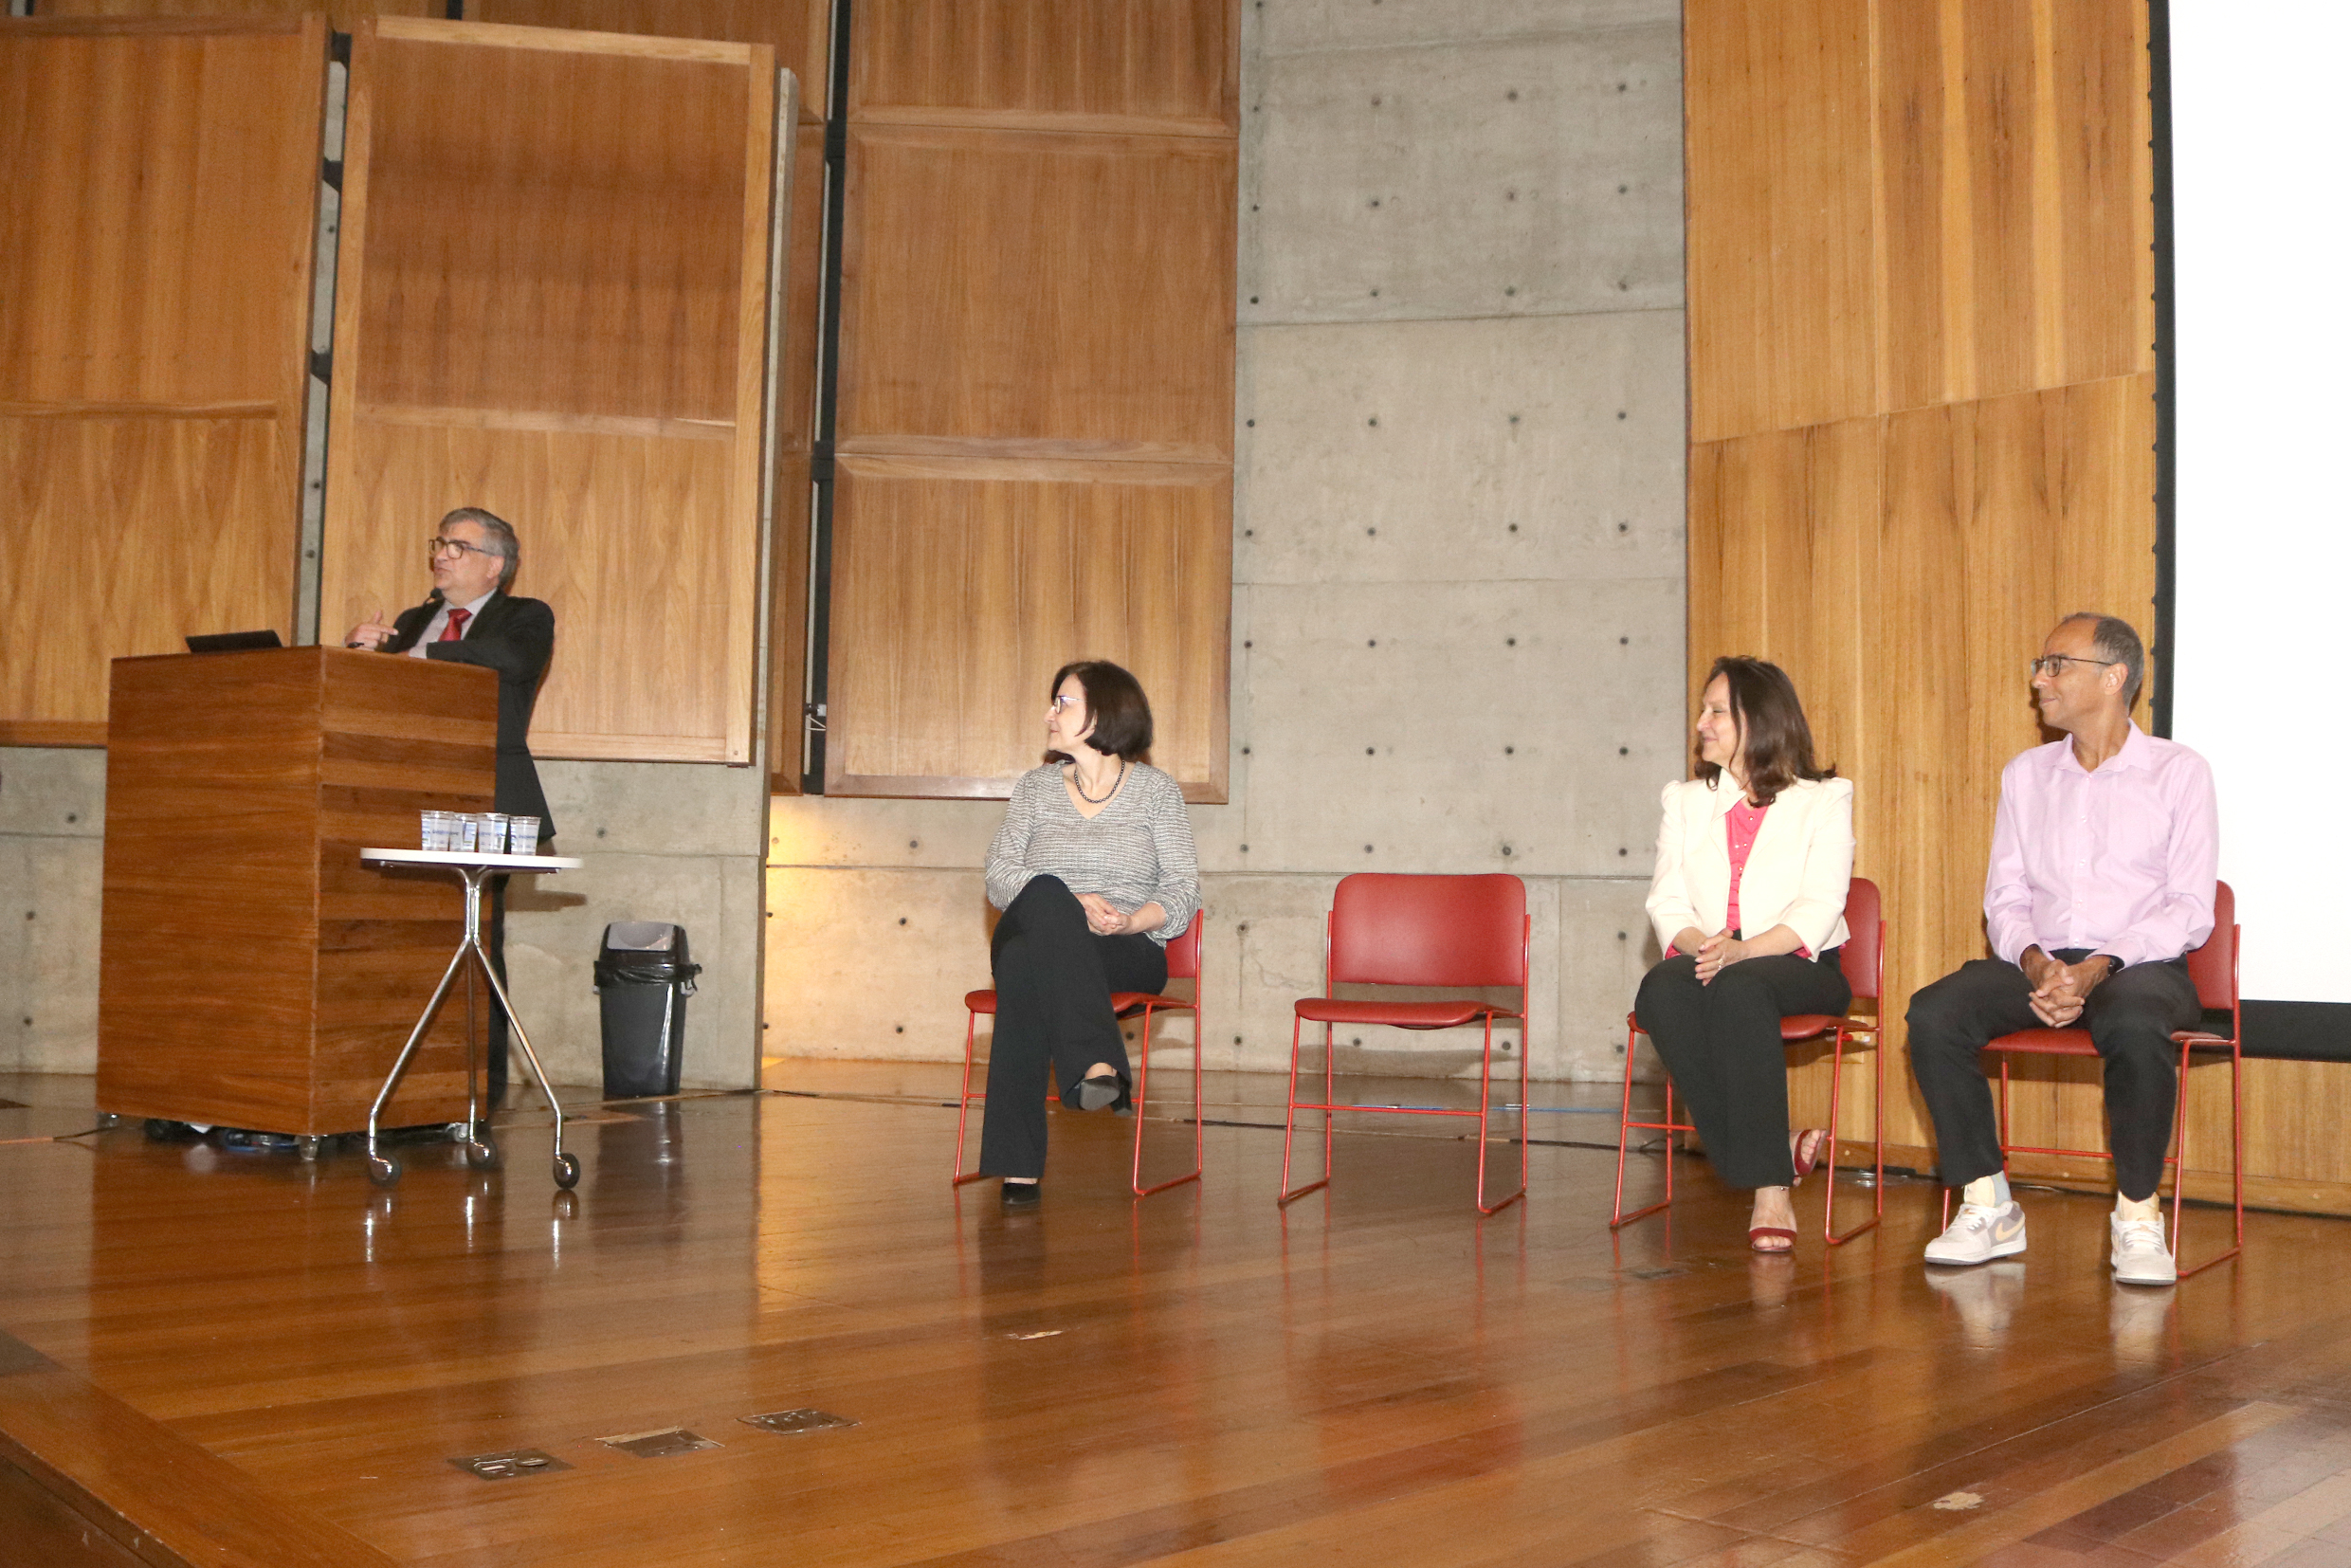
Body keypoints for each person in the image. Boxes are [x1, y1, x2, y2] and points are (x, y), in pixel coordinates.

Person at [1909, 613, 2216, 1286]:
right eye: (2040, 664)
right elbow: (2006, 897)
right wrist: (2038, 963)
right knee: (1933, 1012)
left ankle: (2137, 1216)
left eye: (2056, 665)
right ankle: (1988, 1204)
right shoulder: (2027, 774)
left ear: (2113, 678)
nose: (2038, 679)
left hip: (2139, 965)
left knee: (2136, 1023)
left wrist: (2097, 965)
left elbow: (2191, 909)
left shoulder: (2178, 772)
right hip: (2043, 961)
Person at [1635, 657, 1855, 1252]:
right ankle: (1773, 1152)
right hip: (1713, 958)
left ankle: (1769, 1191)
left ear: (1757, 722)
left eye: (1715, 713)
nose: (1701, 723)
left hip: (1800, 966)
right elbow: (1667, 901)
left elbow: (1820, 905)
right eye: (1703, 710)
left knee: (1741, 987)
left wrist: (1742, 953)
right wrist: (1708, 949)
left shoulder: (1826, 798)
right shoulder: (1683, 801)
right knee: (1660, 988)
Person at [346, 507, 556, 1103]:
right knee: (402, 942)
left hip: (487, 801)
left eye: (457, 546)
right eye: (439, 542)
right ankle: (404, 1087)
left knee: (475, 941)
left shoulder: (524, 617)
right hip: (402, 799)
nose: (441, 553)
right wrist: (360, 654)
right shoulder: (414, 621)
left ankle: (474, 1094)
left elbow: (510, 663)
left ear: (495, 565)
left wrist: (424, 656)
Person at [979, 661, 1200, 1209]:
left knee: (1025, 967)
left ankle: (1018, 1167)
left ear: (1103, 713)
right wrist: (1067, 903)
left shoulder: (1155, 792)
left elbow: (1182, 888)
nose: (1049, 715)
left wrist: (1131, 920)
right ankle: (1098, 1066)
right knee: (1047, 894)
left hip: (1125, 948)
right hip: (1040, 923)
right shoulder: (1034, 789)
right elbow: (1000, 875)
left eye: (1063, 703)